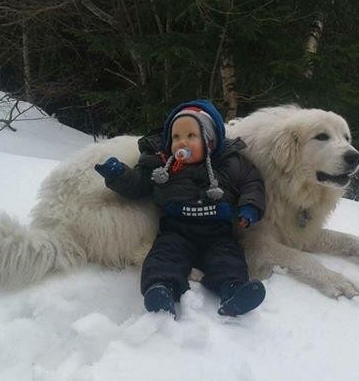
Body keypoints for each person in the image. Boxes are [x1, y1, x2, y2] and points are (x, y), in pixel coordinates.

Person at [95, 100, 266, 319]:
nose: (181, 143)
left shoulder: (230, 162)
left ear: (210, 141)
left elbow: (252, 183)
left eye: (191, 136)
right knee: (164, 256)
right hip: (176, 230)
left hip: (218, 232)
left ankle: (233, 292)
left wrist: (249, 208)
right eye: (176, 137)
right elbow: (139, 185)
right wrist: (119, 175)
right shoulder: (161, 165)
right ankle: (160, 289)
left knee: (228, 259)